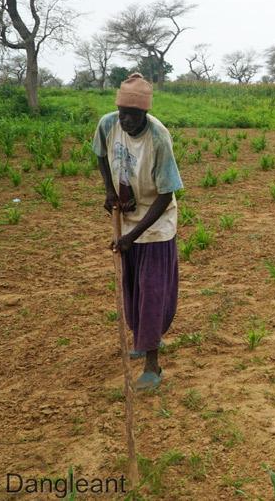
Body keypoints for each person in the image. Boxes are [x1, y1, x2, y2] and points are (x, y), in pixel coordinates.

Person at [92, 73, 183, 391]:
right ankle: (141, 342)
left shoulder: (158, 137)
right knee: (132, 288)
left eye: (134, 116)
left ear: (145, 114)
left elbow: (166, 194)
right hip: (127, 217)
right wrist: (109, 191)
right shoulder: (108, 124)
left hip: (156, 225)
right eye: (123, 114)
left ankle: (152, 366)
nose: (127, 121)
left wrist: (132, 236)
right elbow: (102, 155)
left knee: (152, 292)